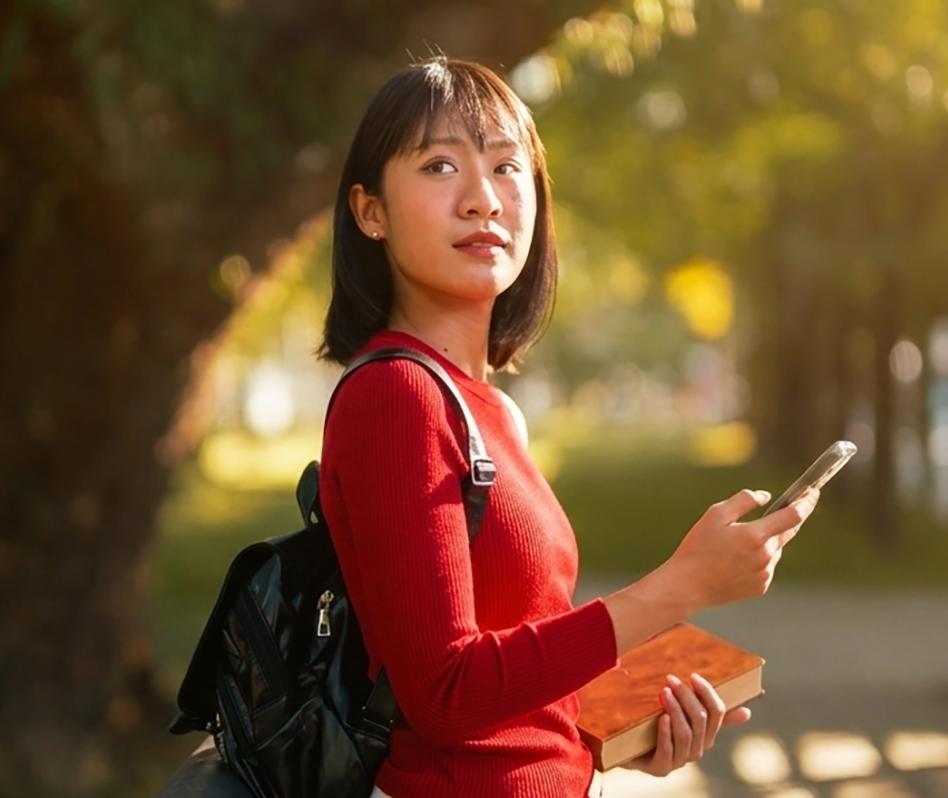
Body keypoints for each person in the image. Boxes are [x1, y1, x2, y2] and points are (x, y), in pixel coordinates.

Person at [316, 56, 819, 798]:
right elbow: (447, 695)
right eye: (439, 165)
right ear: (370, 211)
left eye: (507, 167)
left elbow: (511, 665)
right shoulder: (395, 396)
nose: (482, 199)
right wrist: (680, 588)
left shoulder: (488, 408)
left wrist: (610, 725)